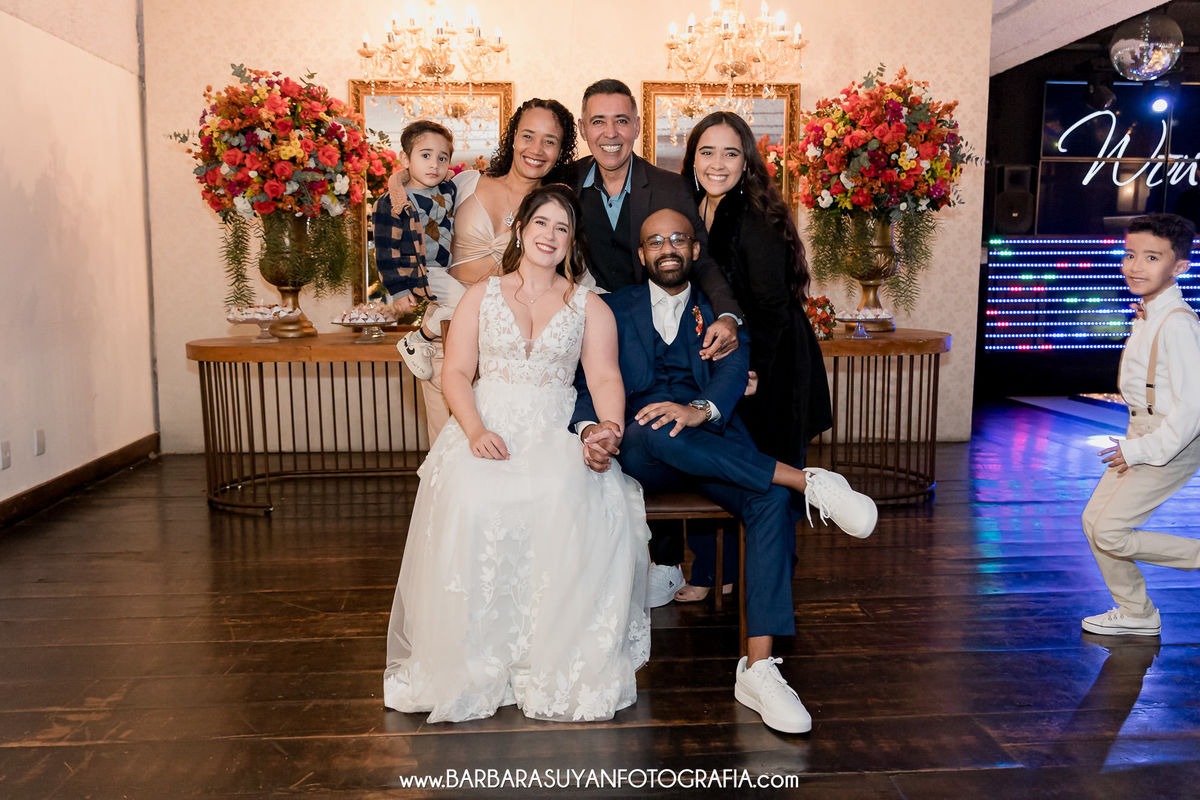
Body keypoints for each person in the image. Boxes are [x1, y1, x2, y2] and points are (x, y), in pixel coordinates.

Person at [571, 208, 877, 734]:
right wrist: (588, 431)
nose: (667, 247)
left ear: (694, 250)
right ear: (641, 254)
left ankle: (759, 670)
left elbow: (735, 371)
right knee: (652, 424)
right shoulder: (611, 309)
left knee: (769, 502)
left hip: (713, 443)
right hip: (645, 451)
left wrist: (701, 409)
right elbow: (582, 383)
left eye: (679, 238)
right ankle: (806, 481)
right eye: (655, 241)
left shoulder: (722, 313)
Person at [383, 185, 651, 723]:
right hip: (487, 425)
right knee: (471, 496)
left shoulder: (589, 306)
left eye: (562, 228)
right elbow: (456, 372)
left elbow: (604, 377)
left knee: (566, 495)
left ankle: (544, 652)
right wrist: (475, 429)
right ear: (521, 230)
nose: (550, 236)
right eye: (541, 223)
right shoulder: (481, 296)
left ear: (572, 242)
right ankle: (476, 653)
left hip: (555, 430)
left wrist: (608, 430)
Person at [569, 78, 743, 604]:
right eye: (598, 121)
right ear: (583, 129)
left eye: (621, 120)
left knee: (674, 416)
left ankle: (679, 564)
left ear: (638, 126)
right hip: (600, 329)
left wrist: (727, 317)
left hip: (666, 318)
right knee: (617, 433)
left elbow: (702, 259)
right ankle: (625, 565)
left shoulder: (669, 186)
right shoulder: (567, 182)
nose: (611, 132)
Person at [673, 112, 834, 603]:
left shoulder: (755, 217)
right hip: (723, 356)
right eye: (707, 152)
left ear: (747, 162)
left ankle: (767, 586)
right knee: (717, 465)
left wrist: (751, 368)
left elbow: (769, 307)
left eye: (731, 153)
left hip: (772, 361)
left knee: (768, 473)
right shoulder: (692, 207)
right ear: (692, 158)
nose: (717, 164)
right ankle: (713, 572)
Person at [399, 98, 579, 442]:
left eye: (550, 141)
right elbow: (414, 223)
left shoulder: (555, 209)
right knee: (446, 449)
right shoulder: (466, 183)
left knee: (503, 453)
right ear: (513, 138)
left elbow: (568, 275)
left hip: (507, 349)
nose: (536, 149)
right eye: (528, 136)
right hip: (445, 334)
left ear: (560, 151)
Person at [1081, 213, 1200, 637]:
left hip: (1170, 442)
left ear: (1179, 266)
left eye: (1152, 257)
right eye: (1130, 255)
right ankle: (1136, 612)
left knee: (1110, 531)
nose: (1135, 266)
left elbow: (1192, 410)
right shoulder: (1149, 312)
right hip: (1142, 434)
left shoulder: (1178, 324)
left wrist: (1138, 451)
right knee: (1094, 523)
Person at [374, 120, 456, 328]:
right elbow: (385, 253)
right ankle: (422, 337)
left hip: (450, 269)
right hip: (423, 272)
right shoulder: (393, 203)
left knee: (456, 309)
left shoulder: (449, 189)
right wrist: (398, 291)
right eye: (426, 155)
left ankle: (424, 339)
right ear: (406, 159)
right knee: (466, 304)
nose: (434, 164)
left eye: (442, 158)